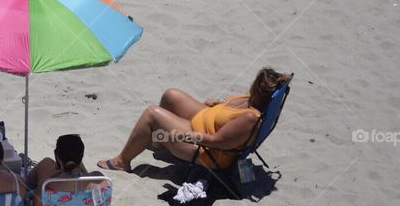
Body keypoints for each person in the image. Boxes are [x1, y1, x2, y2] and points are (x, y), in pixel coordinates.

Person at [97, 68, 293, 172]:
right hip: (203, 121)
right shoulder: (250, 101)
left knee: (152, 113)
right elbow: (227, 116)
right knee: (170, 95)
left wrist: (187, 135)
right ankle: (159, 141)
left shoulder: (250, 118)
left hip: (207, 151)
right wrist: (217, 105)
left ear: (258, 89)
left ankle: (123, 161)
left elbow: (219, 142)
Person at [27, 134, 107, 206]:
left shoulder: (47, 184)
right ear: (82, 155)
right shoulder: (99, 178)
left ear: (57, 156)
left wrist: (54, 174)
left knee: (45, 163)